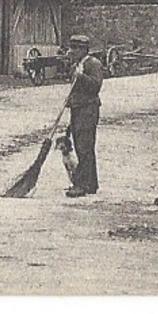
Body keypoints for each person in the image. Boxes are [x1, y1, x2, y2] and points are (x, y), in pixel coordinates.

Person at [62, 34, 105, 198]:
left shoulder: (93, 64)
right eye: (71, 48)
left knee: (84, 147)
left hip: (88, 110)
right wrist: (70, 100)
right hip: (78, 108)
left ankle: (81, 184)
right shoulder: (77, 65)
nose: (71, 52)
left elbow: (95, 86)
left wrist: (81, 77)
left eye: (75, 48)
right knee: (81, 146)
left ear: (83, 50)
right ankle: (90, 183)